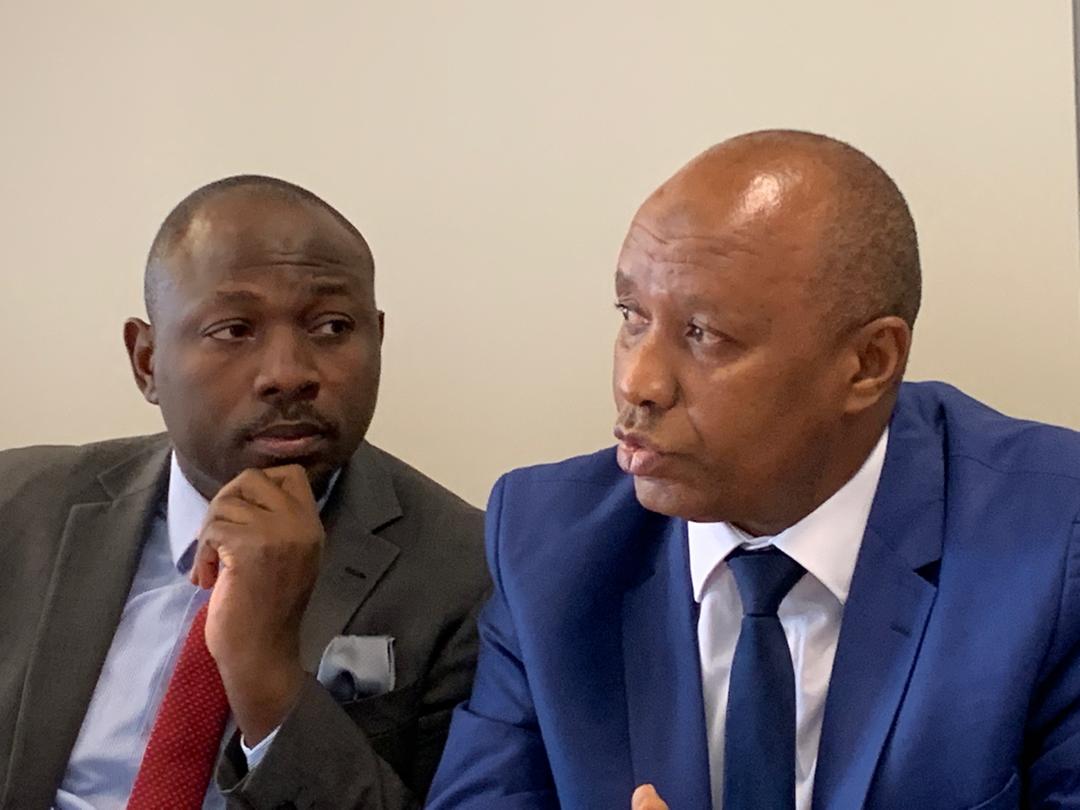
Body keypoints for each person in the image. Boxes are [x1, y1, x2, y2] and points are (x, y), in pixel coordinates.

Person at [427, 130, 1080, 809]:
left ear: (868, 363)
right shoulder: (548, 544)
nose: (638, 382)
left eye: (704, 333)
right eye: (632, 316)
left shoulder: (1052, 542)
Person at [0, 176, 487, 810]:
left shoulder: (467, 572)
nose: (288, 373)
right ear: (146, 361)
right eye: (233, 330)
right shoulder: (21, 507)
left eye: (333, 326)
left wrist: (267, 677)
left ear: (378, 339)